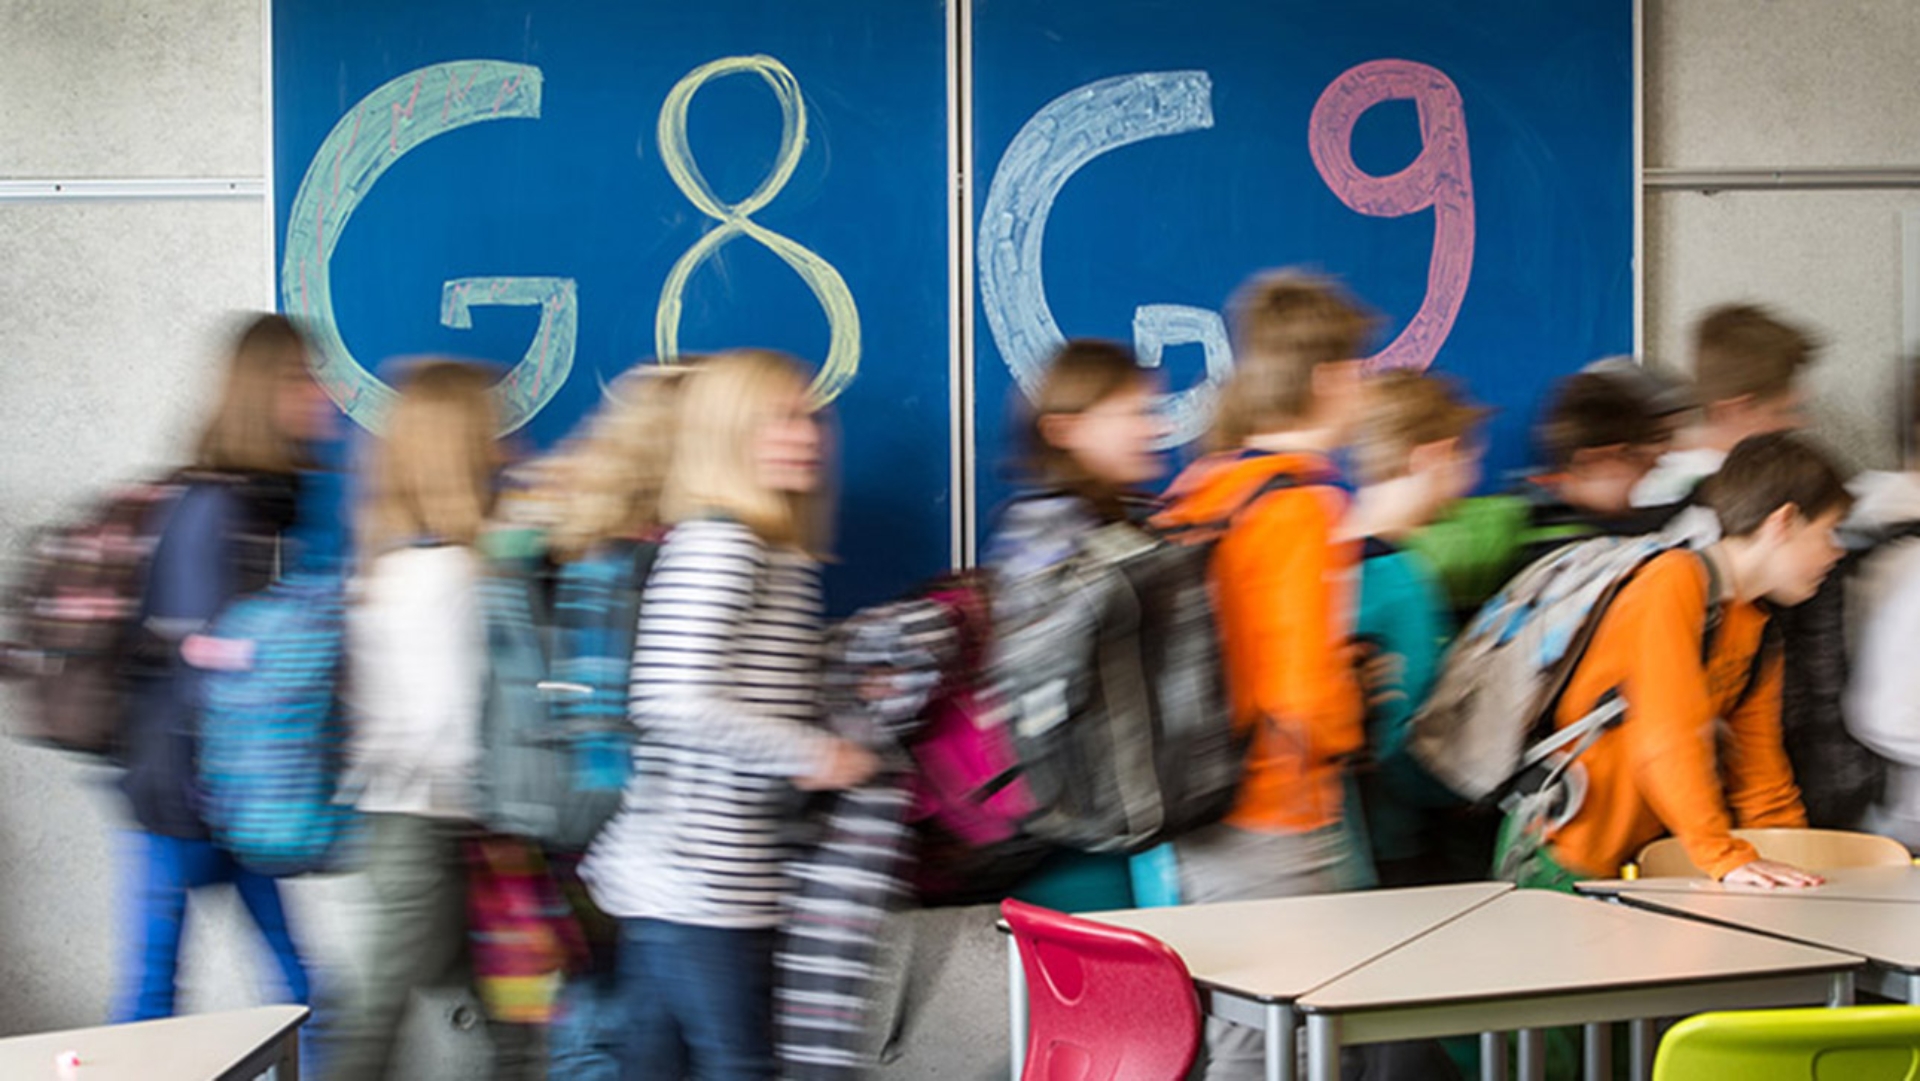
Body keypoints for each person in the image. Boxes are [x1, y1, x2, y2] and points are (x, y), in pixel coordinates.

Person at [581, 349, 878, 1081]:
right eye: (778, 419)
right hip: (699, 879)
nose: (805, 434)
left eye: (810, 416)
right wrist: (812, 752)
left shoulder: (769, 551)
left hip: (702, 875)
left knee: (655, 1064)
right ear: (726, 435)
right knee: (740, 1065)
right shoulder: (723, 542)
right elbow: (671, 698)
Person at [1155, 271, 1376, 1081]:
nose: (1367, 387)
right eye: (1361, 368)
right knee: (1270, 1049)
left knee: (1232, 1032)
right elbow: (1300, 691)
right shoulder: (1305, 505)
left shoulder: (1206, 484)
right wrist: (1355, 716)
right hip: (1275, 810)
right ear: (1327, 378)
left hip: (1189, 801)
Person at [1497, 431, 1853, 892]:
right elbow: (1666, 737)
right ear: (1782, 522)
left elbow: (1763, 780)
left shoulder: (1756, 629)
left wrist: (1795, 873)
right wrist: (1722, 855)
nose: (1837, 552)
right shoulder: (1672, 581)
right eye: (1828, 532)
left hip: (1631, 863)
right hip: (1561, 853)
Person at [112, 313, 333, 1025]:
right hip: (186, 793)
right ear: (269, 389)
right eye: (306, 378)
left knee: (299, 993)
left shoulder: (259, 503)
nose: (323, 395)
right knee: (156, 996)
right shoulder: (217, 505)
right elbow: (202, 655)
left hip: (224, 791)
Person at [327, 359, 540, 1080]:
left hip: (411, 824)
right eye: (493, 432)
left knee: (508, 1014)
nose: (510, 447)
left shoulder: (384, 568)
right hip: (432, 830)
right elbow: (456, 721)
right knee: (379, 1013)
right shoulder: (457, 576)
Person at [982, 339, 1168, 912]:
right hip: (1082, 843)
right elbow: (1039, 687)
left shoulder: (1122, 527)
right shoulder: (1048, 541)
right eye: (1132, 413)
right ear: (1064, 429)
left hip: (1126, 834)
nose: (1151, 429)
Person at [1342, 371, 1487, 887]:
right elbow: (1414, 740)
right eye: (1467, 458)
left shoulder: (1323, 553)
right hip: (1397, 844)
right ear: (1433, 455)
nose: (1471, 477)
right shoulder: (1401, 578)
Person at [1633, 303, 1819, 508]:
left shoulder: (1667, 472)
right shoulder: (1684, 496)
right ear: (1735, 409)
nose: (1796, 423)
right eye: (1781, 412)